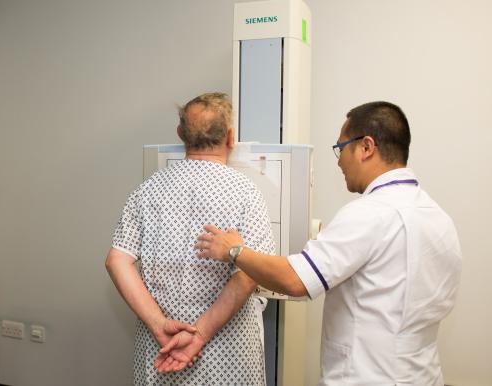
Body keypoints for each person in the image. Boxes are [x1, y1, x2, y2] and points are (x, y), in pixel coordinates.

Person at [195, 101, 462, 386]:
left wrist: (234, 250)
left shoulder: (370, 214)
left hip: (367, 377)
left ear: (366, 147)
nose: (339, 160)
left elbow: (295, 280)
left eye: (341, 148)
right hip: (423, 376)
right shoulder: (439, 218)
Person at [106, 92, 274, 385]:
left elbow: (116, 260)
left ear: (181, 133)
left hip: (162, 349)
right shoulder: (246, 194)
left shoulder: (147, 191)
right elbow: (248, 275)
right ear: (230, 138)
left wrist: (159, 326)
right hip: (227, 355)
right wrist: (200, 334)